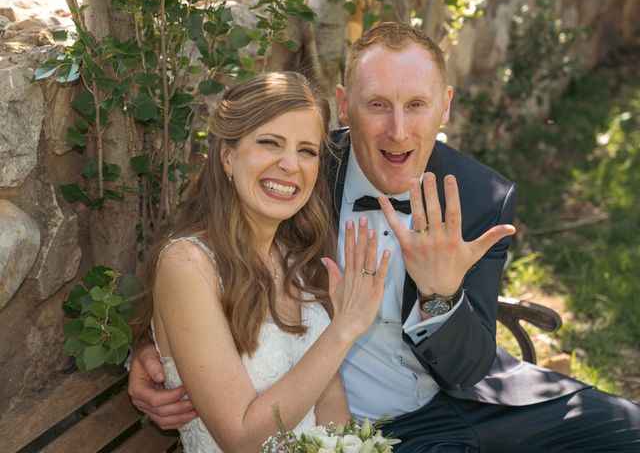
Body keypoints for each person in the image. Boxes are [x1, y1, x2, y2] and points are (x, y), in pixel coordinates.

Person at [129, 24, 640, 452]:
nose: (398, 131)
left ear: (445, 107)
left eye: (416, 105)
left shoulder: (482, 196)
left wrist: (441, 298)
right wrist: (149, 356)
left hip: (465, 398)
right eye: (378, 105)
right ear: (344, 107)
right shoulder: (303, 175)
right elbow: (206, 259)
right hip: (367, 428)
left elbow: (470, 366)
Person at [130, 71, 392, 452]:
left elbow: (330, 402)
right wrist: (344, 328)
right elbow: (239, 437)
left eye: (307, 151)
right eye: (270, 143)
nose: (290, 164)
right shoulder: (188, 265)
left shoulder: (295, 255)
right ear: (227, 156)